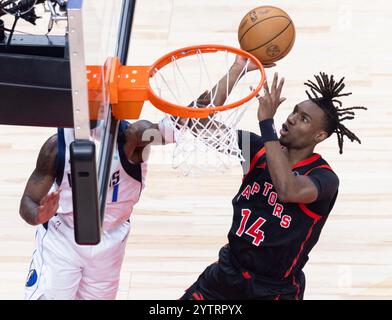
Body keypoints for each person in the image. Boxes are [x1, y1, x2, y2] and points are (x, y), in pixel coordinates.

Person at [181, 57, 367, 300]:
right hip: (227, 275)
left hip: (273, 291)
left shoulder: (324, 178)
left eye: (304, 119)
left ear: (319, 135)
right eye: (294, 112)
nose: (291, 118)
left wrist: (266, 122)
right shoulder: (257, 149)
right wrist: (236, 71)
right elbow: (195, 121)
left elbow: (287, 189)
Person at [20, 118, 175, 300]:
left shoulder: (133, 136)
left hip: (109, 243)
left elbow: (175, 127)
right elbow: (28, 201)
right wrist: (39, 215)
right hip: (63, 237)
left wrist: (212, 100)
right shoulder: (56, 147)